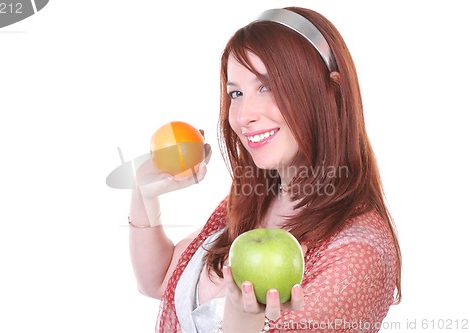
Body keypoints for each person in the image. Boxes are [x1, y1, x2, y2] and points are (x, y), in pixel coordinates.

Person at [128, 6, 401, 333]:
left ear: (331, 94)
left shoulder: (359, 253)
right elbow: (160, 281)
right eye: (237, 93)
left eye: (267, 86)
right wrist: (143, 193)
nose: (243, 116)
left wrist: (244, 320)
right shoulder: (258, 196)